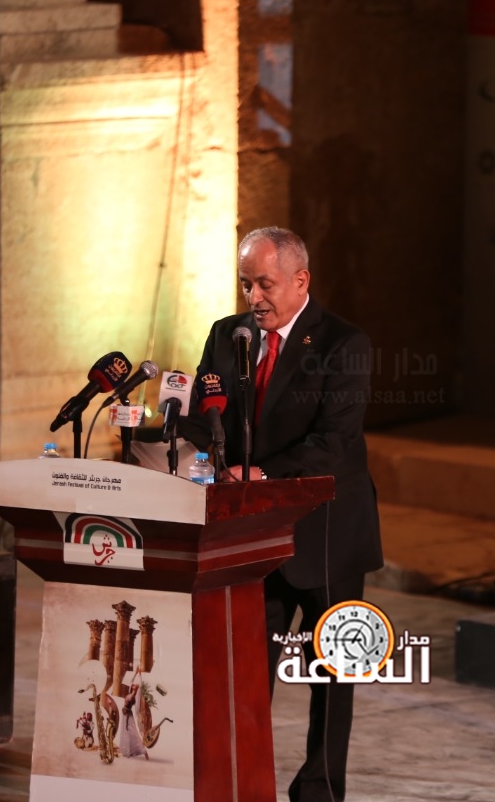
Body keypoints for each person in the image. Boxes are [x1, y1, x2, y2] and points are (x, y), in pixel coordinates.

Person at [182, 226, 382, 802]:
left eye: (264, 284)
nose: (253, 297)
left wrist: (262, 473)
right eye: (246, 284)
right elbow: (205, 416)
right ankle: (242, 783)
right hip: (252, 534)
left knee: (333, 674)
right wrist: (168, 438)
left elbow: (335, 441)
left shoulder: (344, 343)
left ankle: (320, 789)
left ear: (300, 280)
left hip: (326, 531)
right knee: (247, 668)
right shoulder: (227, 335)